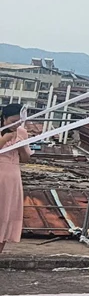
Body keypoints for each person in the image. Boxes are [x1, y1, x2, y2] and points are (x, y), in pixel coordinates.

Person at [0, 104, 31, 252]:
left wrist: (21, 148)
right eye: (13, 121)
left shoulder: (22, 132)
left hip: (12, 178)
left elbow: (25, 159)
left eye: (19, 121)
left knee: (6, 214)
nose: (16, 125)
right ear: (4, 118)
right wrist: (4, 140)